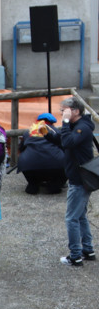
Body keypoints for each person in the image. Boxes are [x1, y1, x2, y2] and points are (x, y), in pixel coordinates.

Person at [53, 96, 96, 266]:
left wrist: (63, 123)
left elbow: (69, 141)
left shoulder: (83, 127)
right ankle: (88, 249)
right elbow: (64, 142)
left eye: (64, 110)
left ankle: (76, 256)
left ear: (75, 111)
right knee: (80, 216)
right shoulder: (75, 126)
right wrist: (48, 134)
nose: (62, 113)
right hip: (78, 177)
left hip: (80, 179)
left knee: (71, 218)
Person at [16, 113, 66, 195]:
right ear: (52, 122)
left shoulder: (28, 132)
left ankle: (33, 184)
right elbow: (64, 148)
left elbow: (21, 148)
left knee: (24, 160)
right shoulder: (56, 131)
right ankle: (55, 185)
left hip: (30, 165)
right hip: (55, 165)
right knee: (66, 162)